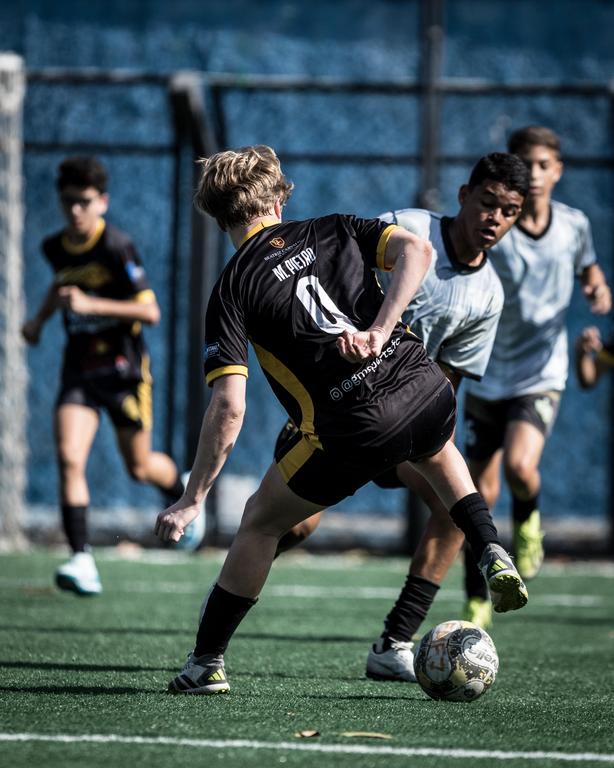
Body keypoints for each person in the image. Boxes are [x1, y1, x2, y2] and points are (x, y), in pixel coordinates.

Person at [154, 144, 528, 696]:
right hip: (424, 388)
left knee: (260, 520)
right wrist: (380, 331)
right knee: (436, 443)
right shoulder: (333, 226)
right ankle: (488, 542)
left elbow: (230, 407)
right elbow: (418, 253)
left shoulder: (232, 288)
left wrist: (194, 496)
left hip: (352, 426)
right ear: (281, 197)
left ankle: (205, 663)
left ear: (216, 216)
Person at [274, 152, 529, 679]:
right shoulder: (409, 229)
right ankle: (235, 580)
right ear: (464, 196)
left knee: (452, 505)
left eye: (509, 212)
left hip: (403, 421)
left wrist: (440, 447)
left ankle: (394, 642)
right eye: (487, 203)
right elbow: (339, 276)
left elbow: (448, 383)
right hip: (336, 406)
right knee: (293, 527)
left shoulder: (488, 295)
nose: (494, 219)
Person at [462, 126, 611, 618]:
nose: (537, 176)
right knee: (478, 494)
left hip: (541, 370)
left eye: (545, 165)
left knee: (521, 468)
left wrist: (598, 290)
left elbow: (589, 270)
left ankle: (528, 525)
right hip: (487, 367)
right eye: (527, 166)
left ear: (558, 170)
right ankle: (477, 600)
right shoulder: (495, 228)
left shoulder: (573, 225)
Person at [21, 156, 188, 596]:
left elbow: (149, 310)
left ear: (102, 202)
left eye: (84, 202)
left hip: (123, 370)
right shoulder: (55, 247)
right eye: (68, 202)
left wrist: (94, 306)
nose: (75, 211)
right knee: (69, 457)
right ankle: (81, 558)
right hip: (79, 369)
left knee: (139, 467)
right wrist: (38, 320)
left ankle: (180, 488)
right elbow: (61, 287)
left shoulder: (117, 246)